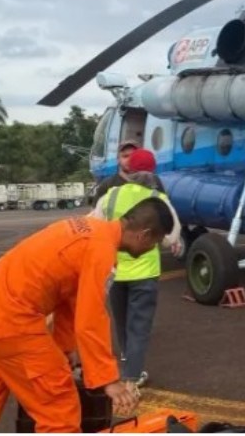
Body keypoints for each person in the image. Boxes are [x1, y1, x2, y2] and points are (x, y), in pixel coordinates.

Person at [0, 199, 174, 432]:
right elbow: (91, 318)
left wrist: (64, 348)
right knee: (59, 408)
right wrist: (108, 380)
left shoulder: (86, 227)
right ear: (144, 234)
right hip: (10, 321)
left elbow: (69, 296)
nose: (153, 249)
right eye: (157, 242)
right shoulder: (101, 250)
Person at [89, 150, 181, 390]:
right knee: (139, 326)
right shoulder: (156, 198)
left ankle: (125, 364)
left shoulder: (110, 195)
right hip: (144, 272)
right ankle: (132, 376)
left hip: (115, 271)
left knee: (121, 322)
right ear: (151, 172)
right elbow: (171, 236)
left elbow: (95, 224)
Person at [92, 141, 165, 203]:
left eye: (134, 155)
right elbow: (95, 214)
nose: (130, 159)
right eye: (125, 156)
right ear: (118, 159)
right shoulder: (107, 184)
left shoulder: (154, 181)